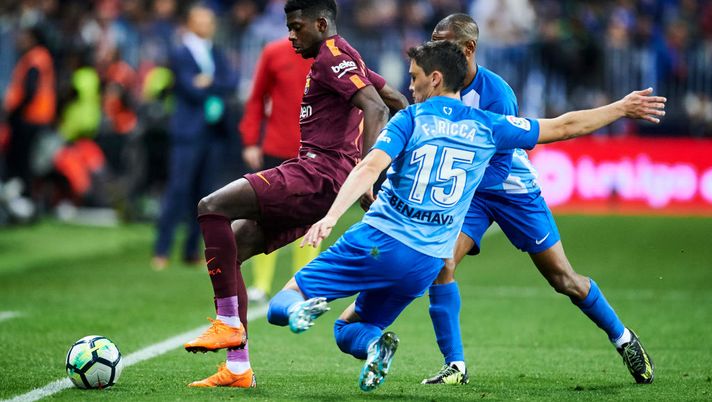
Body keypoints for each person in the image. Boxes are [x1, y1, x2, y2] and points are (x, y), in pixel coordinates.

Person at [265, 40, 665, 392]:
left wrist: (332, 217)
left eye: (415, 77)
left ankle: (301, 310)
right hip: (425, 259)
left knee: (281, 304)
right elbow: (563, 126)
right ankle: (404, 353)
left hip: (392, 236)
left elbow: (369, 166)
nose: (410, 85)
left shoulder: (413, 118)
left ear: (436, 79)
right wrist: (621, 108)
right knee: (356, 324)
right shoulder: (490, 125)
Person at [420, 14, 655, 386]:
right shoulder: (431, 83)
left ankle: (623, 338)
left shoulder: (497, 95)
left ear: (468, 49)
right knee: (442, 265)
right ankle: (456, 366)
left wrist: (447, 191)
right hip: (473, 196)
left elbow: (497, 168)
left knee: (564, 279)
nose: (434, 49)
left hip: (512, 191)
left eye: (443, 42)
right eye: (432, 40)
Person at [184, 0, 406, 388]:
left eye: (297, 27)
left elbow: (375, 108)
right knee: (232, 245)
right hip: (323, 179)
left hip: (317, 173)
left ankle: (228, 324)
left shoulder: (331, 57)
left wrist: (369, 174)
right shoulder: (343, 55)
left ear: (321, 24)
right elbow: (398, 102)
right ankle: (238, 369)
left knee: (211, 206)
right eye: (288, 27)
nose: (290, 35)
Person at [152, 4, 237, 270]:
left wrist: (208, 81)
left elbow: (232, 82)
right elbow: (190, 89)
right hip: (188, 132)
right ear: (190, 23)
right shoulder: (180, 52)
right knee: (178, 190)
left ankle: (191, 250)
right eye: (202, 20)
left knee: (204, 195)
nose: (208, 25)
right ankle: (162, 249)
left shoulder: (216, 51)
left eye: (210, 21)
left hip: (212, 133)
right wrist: (214, 84)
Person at [238, 37, 320, 303]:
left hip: (317, 149)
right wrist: (251, 141)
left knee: (311, 219)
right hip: (277, 148)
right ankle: (261, 285)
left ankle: (303, 284)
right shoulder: (274, 53)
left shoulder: (332, 54)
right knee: (270, 216)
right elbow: (256, 97)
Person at [2, 27, 56, 198]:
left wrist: (13, 112)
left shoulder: (35, 58)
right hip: (34, 117)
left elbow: (29, 90)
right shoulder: (38, 57)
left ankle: (24, 200)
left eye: (24, 36)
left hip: (30, 118)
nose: (20, 40)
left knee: (23, 164)